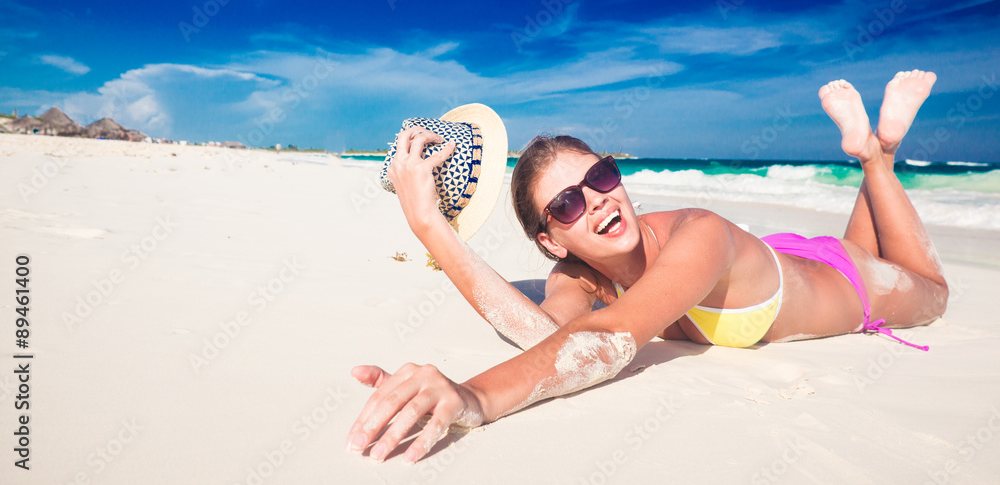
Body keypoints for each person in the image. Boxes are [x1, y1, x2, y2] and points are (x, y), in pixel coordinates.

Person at [347, 70, 948, 464]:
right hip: (792, 256)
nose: (599, 198)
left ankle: (875, 154)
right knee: (859, 240)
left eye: (602, 176)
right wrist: (429, 226)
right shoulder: (580, 276)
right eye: (567, 204)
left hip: (852, 285)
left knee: (934, 294)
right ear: (553, 242)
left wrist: (474, 396)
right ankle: (878, 149)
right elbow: (548, 335)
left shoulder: (700, 234)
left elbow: (607, 341)